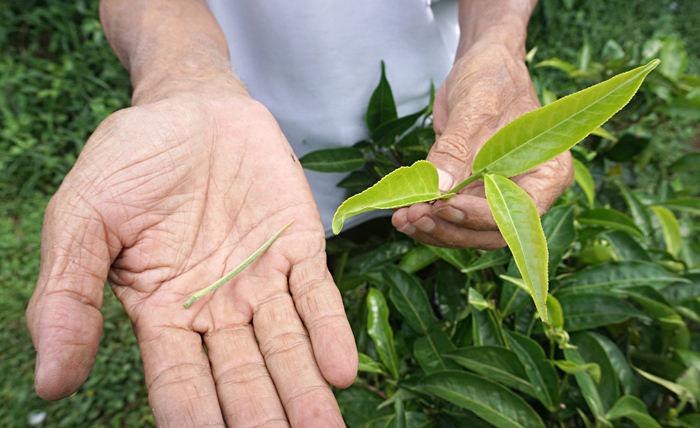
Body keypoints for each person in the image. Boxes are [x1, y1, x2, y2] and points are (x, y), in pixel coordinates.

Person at [26, 0, 573, 426]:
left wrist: (497, 41)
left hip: (435, 122)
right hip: (235, 153)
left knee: (402, 246)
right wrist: (181, 80)